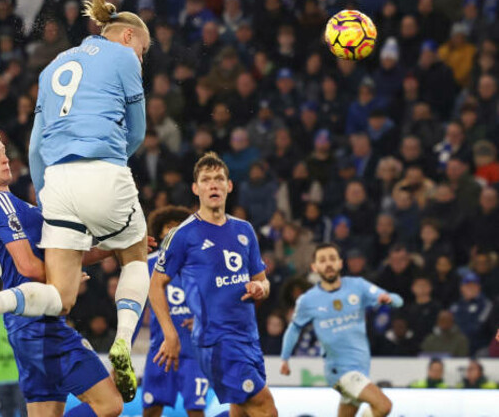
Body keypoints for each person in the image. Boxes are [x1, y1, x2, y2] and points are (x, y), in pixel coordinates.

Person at [28, 0, 151, 402]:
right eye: (144, 50)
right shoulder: (123, 58)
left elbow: (33, 147)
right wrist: (112, 161)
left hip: (57, 182)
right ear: (129, 37)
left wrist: (47, 199)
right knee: (135, 256)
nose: (142, 58)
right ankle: (124, 342)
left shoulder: (50, 68)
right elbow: (136, 131)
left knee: (61, 298)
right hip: (103, 167)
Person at [0, 124, 122, 417]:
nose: (5, 159)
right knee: (109, 404)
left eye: (4, 152)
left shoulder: (12, 204)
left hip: (26, 326)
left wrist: (118, 246)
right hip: (40, 324)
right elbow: (28, 265)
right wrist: (62, 279)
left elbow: (68, 257)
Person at [149, 153, 277, 417]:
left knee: (241, 411)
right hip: (216, 341)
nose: (213, 184)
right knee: (265, 408)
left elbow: (262, 281)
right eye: (206, 180)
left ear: (229, 186)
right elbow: (155, 285)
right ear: (196, 189)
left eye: (219, 178)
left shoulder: (245, 230)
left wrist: (260, 289)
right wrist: (170, 334)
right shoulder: (183, 235)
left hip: (249, 339)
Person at [281, 243, 404, 417]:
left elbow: (398, 300)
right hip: (339, 371)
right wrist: (285, 358)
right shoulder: (308, 300)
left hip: (361, 367)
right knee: (384, 406)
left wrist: (389, 299)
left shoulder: (357, 286)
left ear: (340, 263)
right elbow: (294, 328)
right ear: (315, 267)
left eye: (332, 259)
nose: (328, 264)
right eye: (322, 260)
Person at [142, 205, 208, 417]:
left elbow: (219, 302)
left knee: (195, 410)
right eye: (168, 227)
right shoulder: (148, 265)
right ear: (160, 232)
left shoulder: (203, 265)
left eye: (179, 226)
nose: (174, 230)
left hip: (194, 351)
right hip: (159, 350)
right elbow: (135, 309)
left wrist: (203, 319)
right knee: (151, 410)